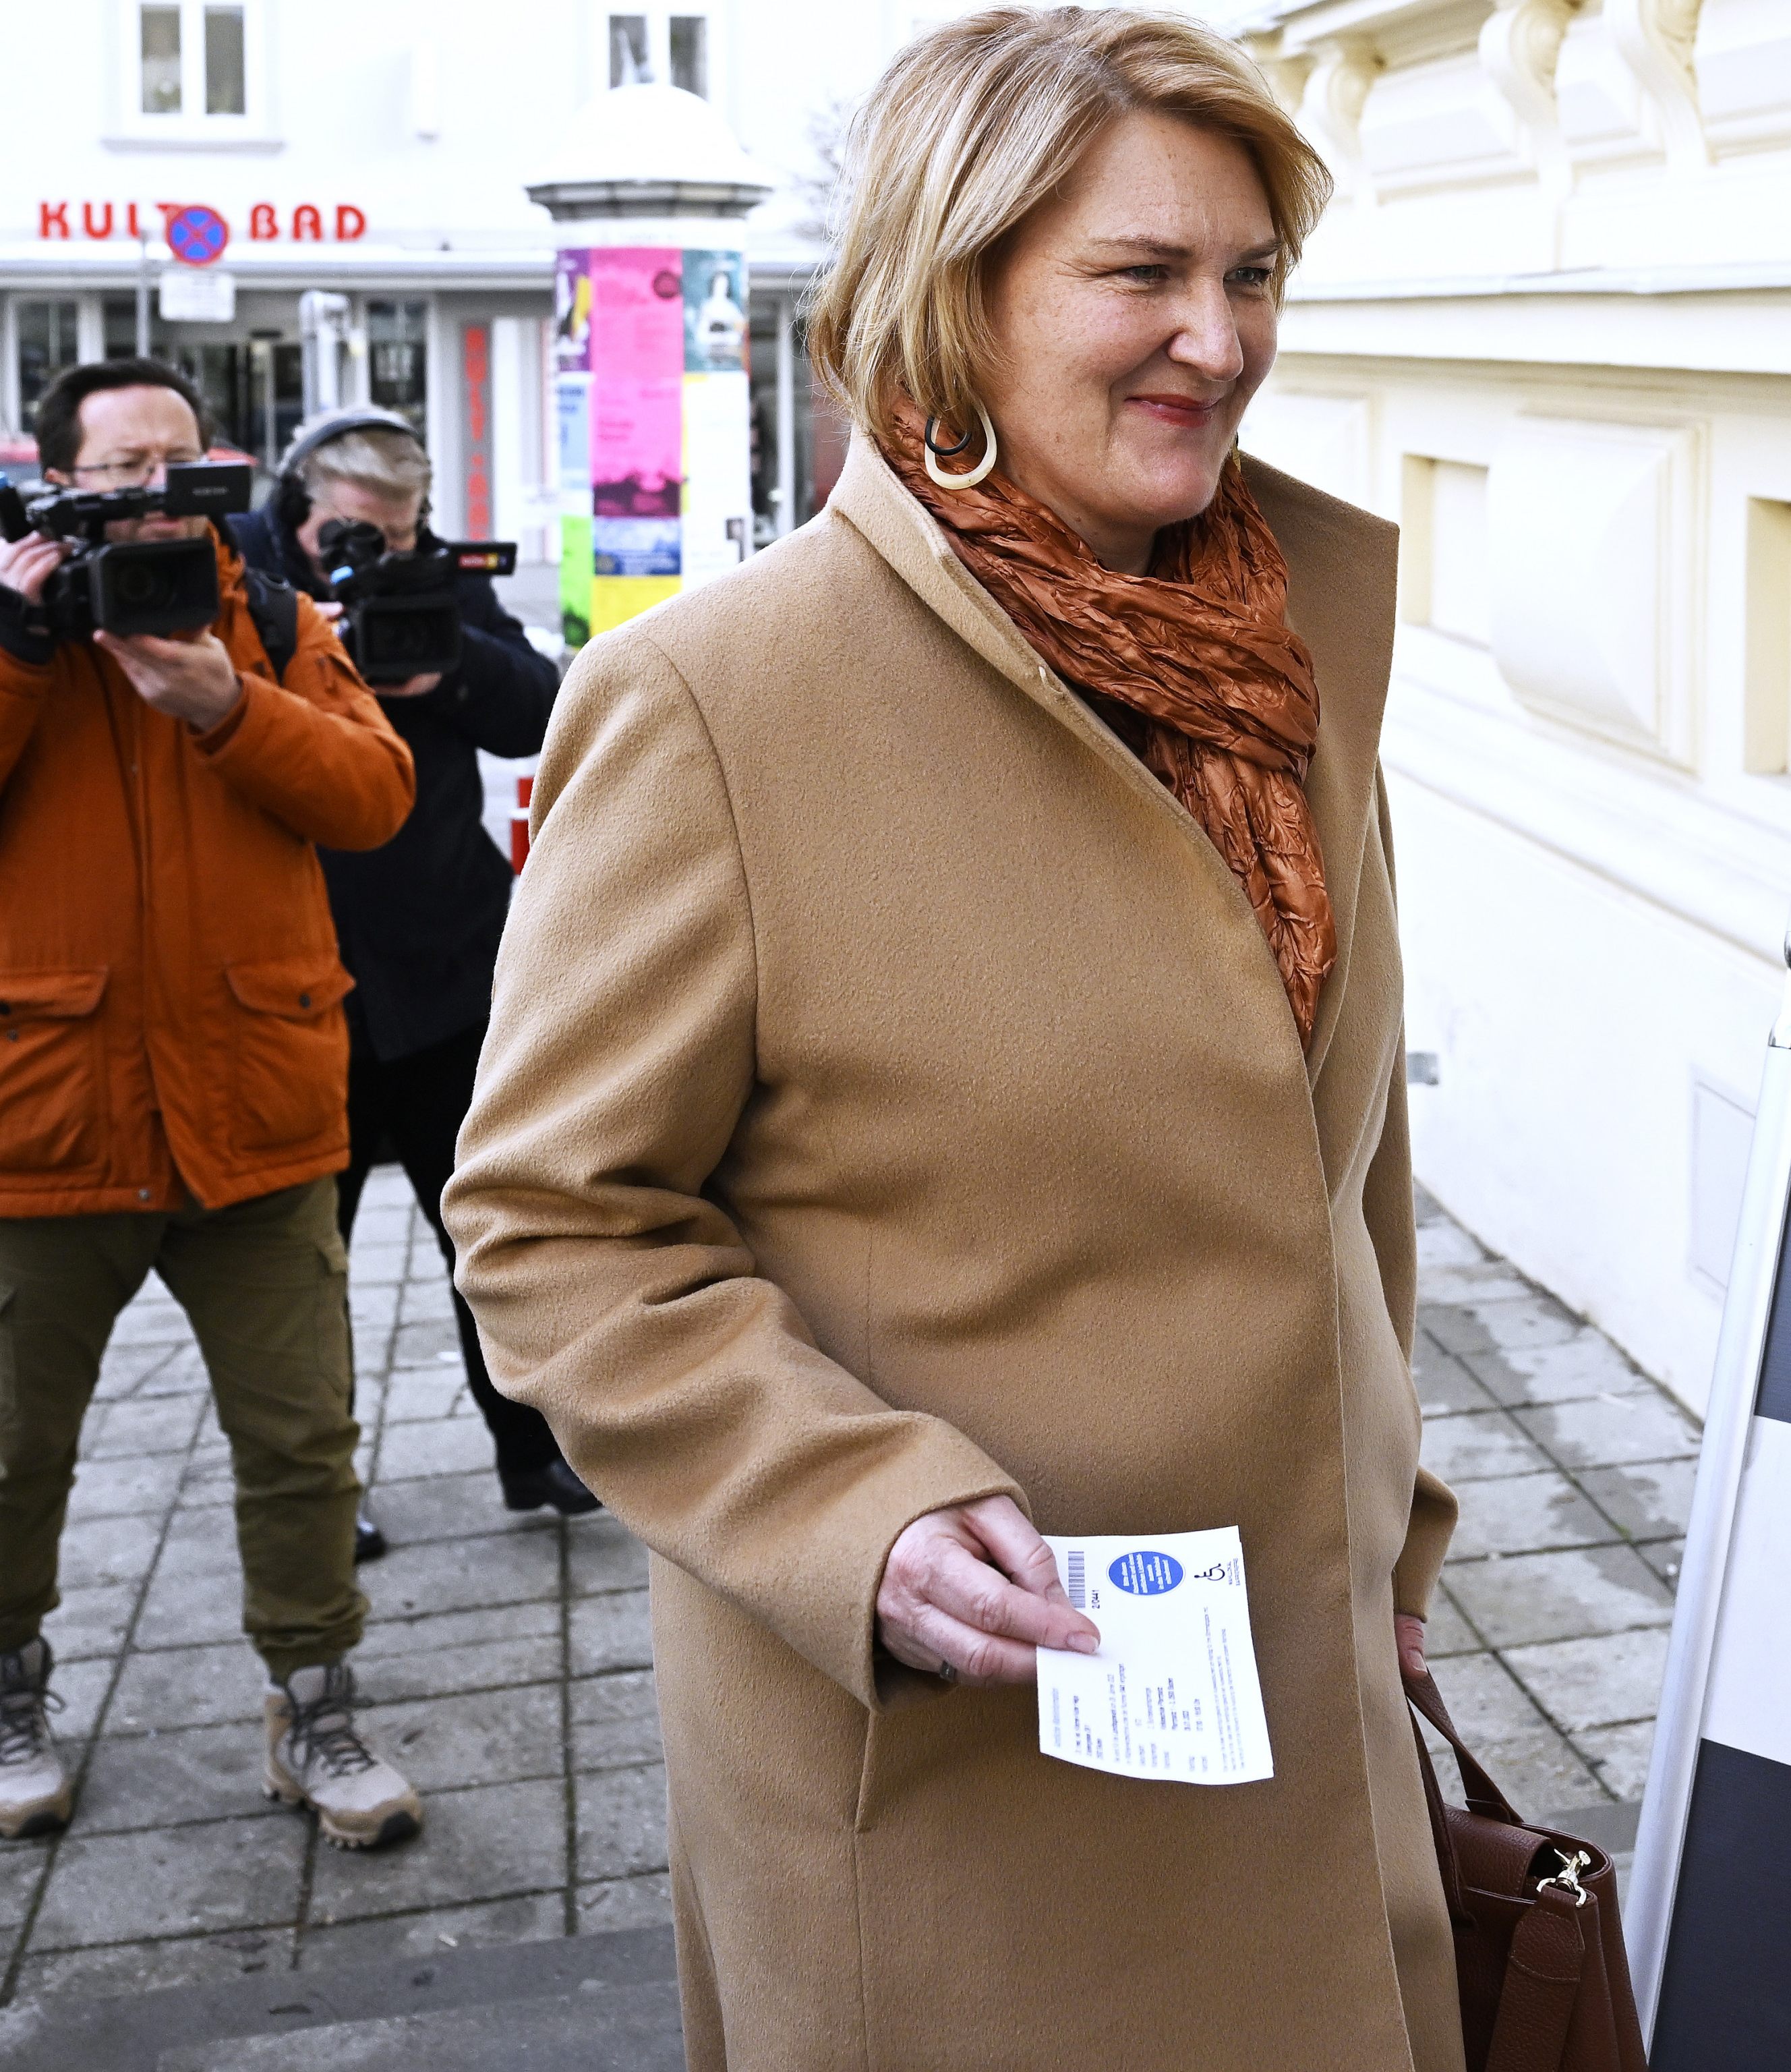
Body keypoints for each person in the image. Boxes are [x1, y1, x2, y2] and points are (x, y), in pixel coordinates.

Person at [442, 10, 1463, 2068]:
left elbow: (1345, 1176)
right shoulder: (721, 703)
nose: (1221, 337)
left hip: (1305, 1690)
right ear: (951, 292)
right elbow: (556, 1227)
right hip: (966, 1769)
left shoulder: (1287, 656)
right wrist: (857, 1518)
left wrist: (1398, 1530)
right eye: (1142, 276)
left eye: (1251, 273)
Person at [0, 358, 426, 1851]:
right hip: (41, 1125)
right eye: (118, 467)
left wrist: (231, 706)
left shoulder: (273, 621)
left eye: (179, 467)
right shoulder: (8, 635)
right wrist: (18, 652)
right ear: (51, 479)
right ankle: (8, 1686)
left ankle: (314, 1699)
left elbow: (374, 797)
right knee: (9, 1445)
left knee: (304, 1439)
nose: (151, 495)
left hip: (253, 1111)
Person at [225, 413, 593, 1536]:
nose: (371, 553)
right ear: (299, 508)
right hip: (297, 978)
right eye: (350, 532)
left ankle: (533, 1456)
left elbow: (540, 704)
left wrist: (440, 662)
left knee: (489, 1228)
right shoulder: (237, 581)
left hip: (444, 965)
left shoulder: (424, 575)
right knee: (301, 1268)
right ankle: (325, 1498)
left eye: (396, 531)